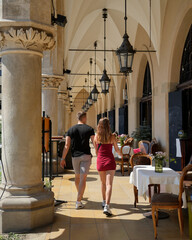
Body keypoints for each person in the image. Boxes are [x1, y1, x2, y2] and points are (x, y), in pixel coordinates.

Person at [60, 111, 95, 209]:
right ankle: (78, 201)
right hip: (86, 156)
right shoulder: (90, 129)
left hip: (75, 156)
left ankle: (80, 195)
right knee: (83, 179)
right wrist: (98, 152)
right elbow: (95, 142)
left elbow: (67, 145)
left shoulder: (71, 129)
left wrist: (63, 158)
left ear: (77, 118)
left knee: (77, 177)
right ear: (84, 118)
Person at [94, 118, 123, 216]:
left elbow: (96, 152)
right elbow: (117, 150)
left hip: (100, 161)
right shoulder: (112, 137)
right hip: (110, 161)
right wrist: (122, 155)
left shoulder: (96, 137)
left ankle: (103, 201)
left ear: (99, 125)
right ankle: (107, 205)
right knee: (109, 184)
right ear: (108, 126)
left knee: (103, 183)